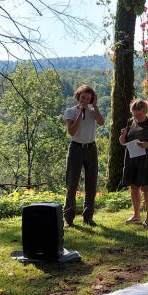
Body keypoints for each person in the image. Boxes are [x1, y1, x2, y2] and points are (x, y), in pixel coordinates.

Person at [63, 84, 104, 226]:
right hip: (76, 149)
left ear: (92, 99)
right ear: (78, 97)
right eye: (83, 97)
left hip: (91, 148)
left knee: (91, 184)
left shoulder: (93, 111)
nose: (85, 100)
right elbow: (72, 132)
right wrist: (80, 112)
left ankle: (88, 217)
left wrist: (95, 106)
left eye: (88, 98)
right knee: (72, 184)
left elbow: (101, 122)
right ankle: (69, 218)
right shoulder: (70, 111)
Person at [119, 99, 148, 227]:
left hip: (147, 161)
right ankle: (136, 215)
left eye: (139, 113)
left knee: (147, 188)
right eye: (134, 113)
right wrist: (122, 135)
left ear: (145, 111)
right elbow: (123, 142)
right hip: (132, 160)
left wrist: (147, 144)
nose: (136, 116)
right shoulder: (130, 122)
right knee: (133, 187)